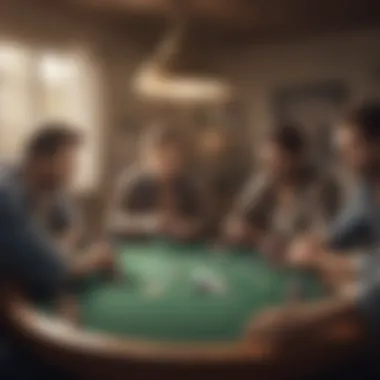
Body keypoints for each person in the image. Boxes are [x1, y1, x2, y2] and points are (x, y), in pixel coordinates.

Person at [246, 103, 380, 378]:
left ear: (376, 145)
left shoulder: (326, 184)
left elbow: (376, 277)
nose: (342, 158)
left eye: (350, 149)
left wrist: (306, 317)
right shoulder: (366, 189)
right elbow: (338, 233)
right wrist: (312, 244)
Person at [0, 123, 114, 378]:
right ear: (42, 160)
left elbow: (73, 225)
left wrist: (59, 249)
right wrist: (93, 259)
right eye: (69, 160)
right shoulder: (5, 195)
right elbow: (56, 270)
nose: (74, 169)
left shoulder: (44, 184)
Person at [222, 124, 341, 257]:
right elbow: (237, 217)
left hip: (306, 267)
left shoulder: (320, 187)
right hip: (265, 261)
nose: (270, 169)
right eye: (266, 162)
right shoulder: (265, 181)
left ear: (296, 158)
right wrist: (237, 226)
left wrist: (259, 237)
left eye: (276, 161)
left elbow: (323, 239)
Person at [108, 125, 202, 242]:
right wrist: (149, 223)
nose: (168, 162)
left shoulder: (187, 185)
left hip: (179, 250)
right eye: (162, 155)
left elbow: (202, 221)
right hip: (140, 248)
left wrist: (188, 227)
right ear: (148, 156)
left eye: (173, 156)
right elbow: (114, 222)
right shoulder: (134, 183)